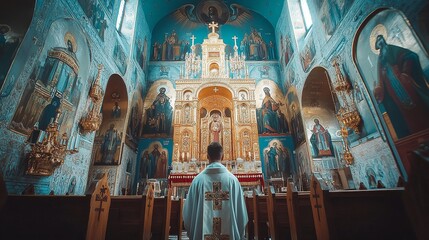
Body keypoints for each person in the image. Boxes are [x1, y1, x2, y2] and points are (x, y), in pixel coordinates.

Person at [183, 142, 248, 240]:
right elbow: (241, 215)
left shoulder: (198, 181)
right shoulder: (233, 181)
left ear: (207, 156)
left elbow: (188, 215)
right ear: (222, 156)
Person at [373, 34, 429, 139]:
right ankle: (414, 135)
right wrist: (379, 86)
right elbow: (380, 75)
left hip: (403, 81)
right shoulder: (380, 58)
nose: (380, 43)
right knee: (403, 111)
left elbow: (410, 56)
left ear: (384, 41)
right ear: (377, 46)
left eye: (381, 40)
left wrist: (405, 72)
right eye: (378, 42)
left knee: (416, 103)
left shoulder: (392, 49)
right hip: (391, 86)